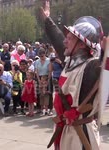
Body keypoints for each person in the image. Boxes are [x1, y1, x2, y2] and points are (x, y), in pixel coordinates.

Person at [41, 1, 103, 149]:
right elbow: (57, 39)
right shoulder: (70, 61)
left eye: (69, 38)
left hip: (81, 133)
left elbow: (103, 67)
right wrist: (47, 20)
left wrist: (106, 56)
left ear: (82, 44)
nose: (65, 41)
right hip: (65, 129)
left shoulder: (91, 66)